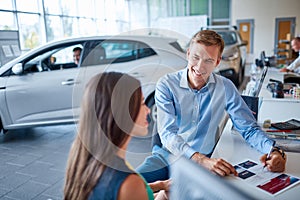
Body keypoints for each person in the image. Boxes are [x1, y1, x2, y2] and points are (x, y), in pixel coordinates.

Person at [137, 30, 286, 183]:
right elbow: (168, 134)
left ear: (217, 62)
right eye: (196, 57)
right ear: (188, 54)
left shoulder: (226, 87)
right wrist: (199, 159)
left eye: (208, 60)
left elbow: (248, 128)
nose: (200, 67)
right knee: (127, 185)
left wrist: (273, 150)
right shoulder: (166, 85)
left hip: (205, 162)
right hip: (167, 156)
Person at [64, 72, 169, 200]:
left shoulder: (83, 160)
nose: (147, 110)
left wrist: (161, 188)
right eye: (142, 103)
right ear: (123, 113)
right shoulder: (129, 183)